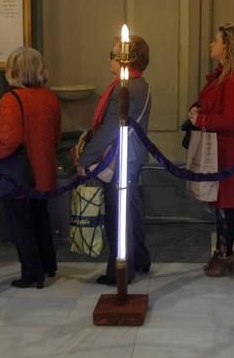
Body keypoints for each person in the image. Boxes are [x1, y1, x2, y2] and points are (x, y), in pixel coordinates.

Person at [0, 48, 61, 288]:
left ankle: (32, 274)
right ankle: (48, 265)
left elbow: (9, 141)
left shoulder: (12, 99)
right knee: (40, 219)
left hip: (21, 174)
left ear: (13, 71)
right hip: (44, 170)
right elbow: (55, 137)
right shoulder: (49, 97)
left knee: (21, 224)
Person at [77, 35, 152, 285]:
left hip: (120, 158)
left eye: (113, 55)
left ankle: (119, 271)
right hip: (131, 156)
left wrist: (84, 159)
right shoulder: (139, 84)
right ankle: (139, 258)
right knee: (131, 211)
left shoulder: (127, 87)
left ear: (125, 59)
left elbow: (110, 128)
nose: (110, 60)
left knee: (117, 217)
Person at [188, 23, 234, 277]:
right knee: (219, 205)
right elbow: (209, 102)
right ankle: (220, 252)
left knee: (226, 205)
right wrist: (197, 110)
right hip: (216, 148)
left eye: (215, 41)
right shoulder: (220, 75)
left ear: (227, 46)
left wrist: (200, 120)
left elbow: (230, 120)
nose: (210, 45)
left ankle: (226, 255)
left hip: (229, 151)